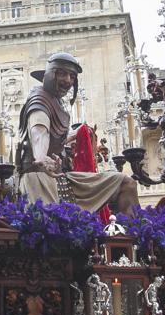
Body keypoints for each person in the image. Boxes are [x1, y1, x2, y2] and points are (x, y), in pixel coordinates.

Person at [16, 53, 138, 214]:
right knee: (53, 232)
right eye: (62, 74)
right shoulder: (39, 101)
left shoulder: (56, 102)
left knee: (126, 183)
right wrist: (41, 157)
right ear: (50, 75)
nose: (68, 80)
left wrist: (76, 134)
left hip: (62, 178)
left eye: (72, 76)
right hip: (39, 179)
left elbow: (52, 136)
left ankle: (133, 235)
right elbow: (39, 132)